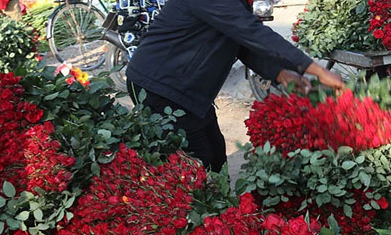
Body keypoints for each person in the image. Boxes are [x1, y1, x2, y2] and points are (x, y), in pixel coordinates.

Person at [126, 0, 344, 171]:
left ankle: (216, 207)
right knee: (197, 160)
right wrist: (317, 70)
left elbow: (242, 44)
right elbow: (252, 33)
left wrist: (282, 74)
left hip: (188, 89)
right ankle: (199, 210)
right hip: (158, 85)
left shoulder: (236, 4)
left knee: (216, 154)